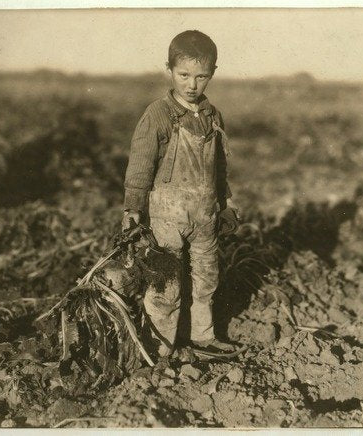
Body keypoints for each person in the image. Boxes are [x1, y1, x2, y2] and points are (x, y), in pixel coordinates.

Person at [122, 30, 238, 358]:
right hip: (167, 216)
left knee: (206, 279)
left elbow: (219, 168)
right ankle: (161, 348)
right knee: (166, 285)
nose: (191, 85)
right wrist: (132, 207)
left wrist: (226, 202)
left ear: (212, 74)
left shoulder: (214, 116)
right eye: (184, 75)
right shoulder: (158, 114)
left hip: (205, 214)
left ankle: (203, 338)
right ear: (170, 70)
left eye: (201, 77)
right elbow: (140, 166)